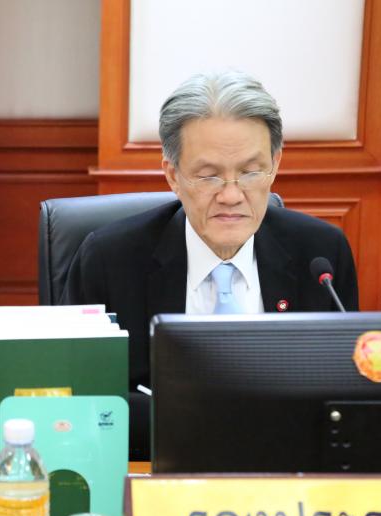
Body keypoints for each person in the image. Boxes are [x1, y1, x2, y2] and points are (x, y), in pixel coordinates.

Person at [61, 71, 359, 457]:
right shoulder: (109, 260)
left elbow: (345, 394)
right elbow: (82, 400)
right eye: (208, 176)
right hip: (156, 469)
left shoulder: (320, 257)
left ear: (275, 165)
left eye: (250, 172)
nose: (231, 195)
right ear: (173, 175)